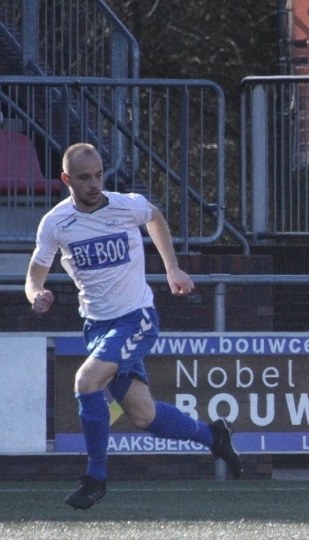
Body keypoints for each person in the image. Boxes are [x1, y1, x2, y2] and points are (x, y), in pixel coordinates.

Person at [25, 143, 242, 510]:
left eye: (98, 175)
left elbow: (154, 216)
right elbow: (35, 274)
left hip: (137, 318)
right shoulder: (56, 223)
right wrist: (36, 294)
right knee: (145, 417)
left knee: (86, 382)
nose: (94, 184)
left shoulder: (126, 206)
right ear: (66, 180)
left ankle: (95, 478)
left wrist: (172, 268)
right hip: (97, 326)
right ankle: (213, 436)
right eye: (84, 178)